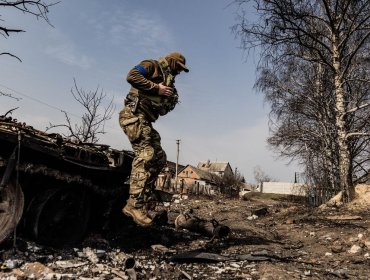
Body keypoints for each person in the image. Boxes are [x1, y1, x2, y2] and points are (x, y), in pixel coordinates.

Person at [119, 52, 189, 226]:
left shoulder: (169, 82)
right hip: (133, 115)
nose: (179, 72)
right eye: (178, 68)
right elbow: (131, 76)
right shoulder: (152, 65)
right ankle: (134, 204)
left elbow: (162, 110)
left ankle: (145, 197)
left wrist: (168, 98)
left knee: (159, 158)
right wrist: (158, 89)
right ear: (172, 62)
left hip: (145, 121)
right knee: (147, 153)